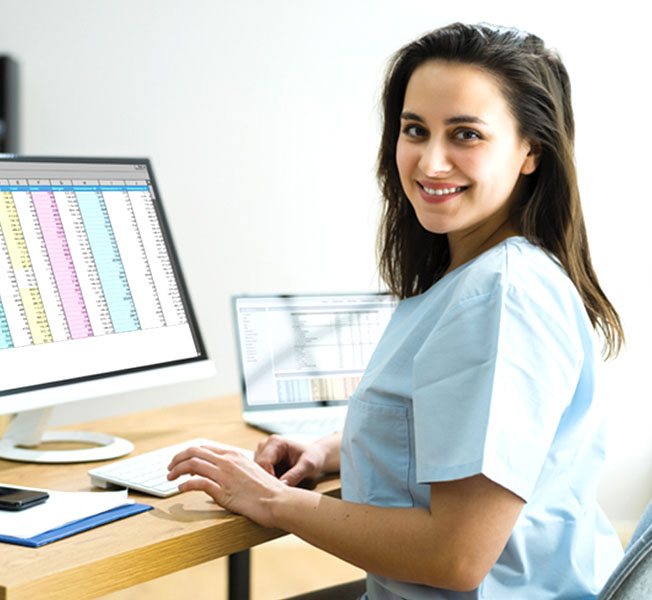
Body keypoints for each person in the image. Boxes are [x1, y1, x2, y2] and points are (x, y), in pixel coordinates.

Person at [167, 22, 626, 599]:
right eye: (415, 130)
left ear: (531, 150)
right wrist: (336, 450)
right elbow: (457, 434)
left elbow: (455, 557)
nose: (431, 163)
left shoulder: (499, 297)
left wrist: (271, 500)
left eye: (465, 134)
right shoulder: (491, 275)